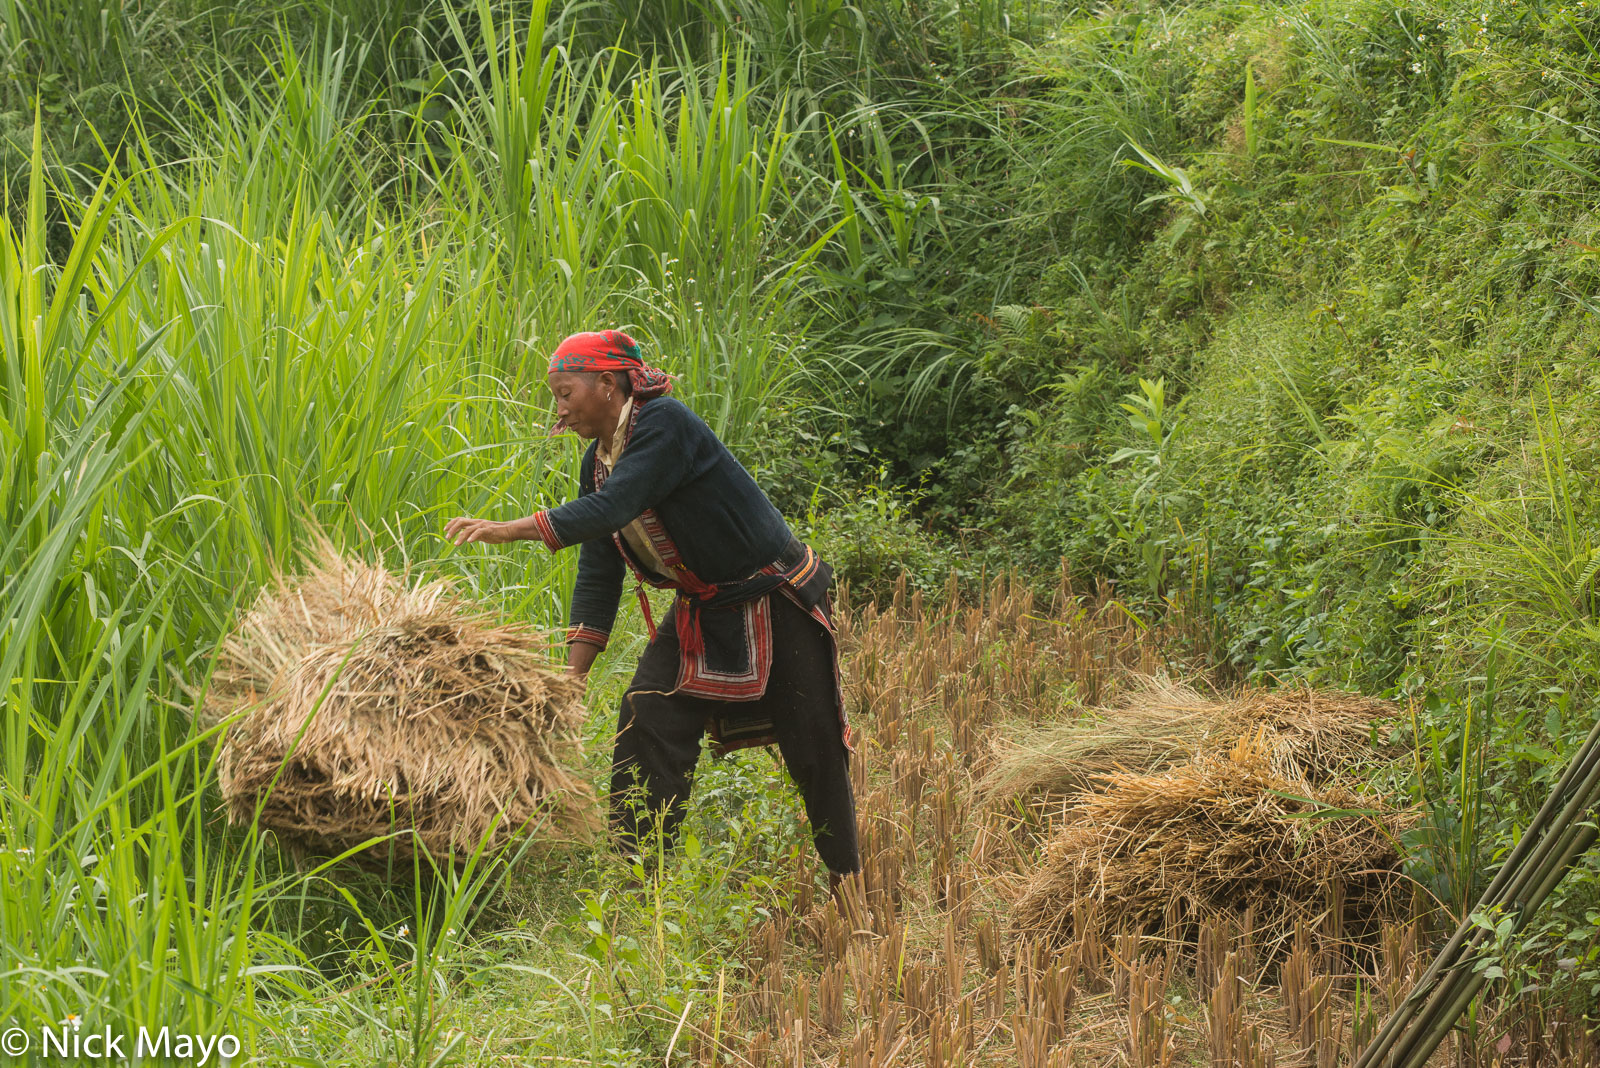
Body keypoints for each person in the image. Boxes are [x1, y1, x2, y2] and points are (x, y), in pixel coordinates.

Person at [444, 329, 861, 889]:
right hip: (704, 605)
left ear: (608, 384)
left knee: (812, 743)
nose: (559, 408)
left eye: (566, 393)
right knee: (646, 714)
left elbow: (616, 505)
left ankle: (849, 882)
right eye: (556, 396)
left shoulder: (665, 424)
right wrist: (572, 677)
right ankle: (639, 885)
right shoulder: (598, 462)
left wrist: (513, 530)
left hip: (771, 596)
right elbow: (599, 571)